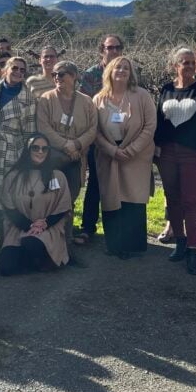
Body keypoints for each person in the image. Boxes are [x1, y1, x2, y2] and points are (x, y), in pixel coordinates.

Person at [154, 46, 196, 275]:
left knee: (191, 200)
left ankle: (193, 248)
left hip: (192, 153)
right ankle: (179, 241)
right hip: (167, 152)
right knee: (173, 199)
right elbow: (160, 120)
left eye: (192, 62)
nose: (190, 66)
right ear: (175, 65)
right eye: (185, 62)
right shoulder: (167, 89)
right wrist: (157, 146)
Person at [93, 56, 156, 258]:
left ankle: (133, 245)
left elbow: (150, 126)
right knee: (112, 198)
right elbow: (95, 131)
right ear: (109, 71)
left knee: (133, 198)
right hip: (109, 155)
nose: (121, 70)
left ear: (131, 73)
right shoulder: (98, 99)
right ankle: (114, 244)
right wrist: (112, 151)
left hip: (136, 155)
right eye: (117, 67)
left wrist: (131, 150)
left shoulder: (142, 96)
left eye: (126, 68)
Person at [36, 60, 96, 245]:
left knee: (70, 197)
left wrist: (76, 144)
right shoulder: (46, 99)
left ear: (74, 76)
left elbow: (93, 129)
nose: (57, 78)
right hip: (53, 157)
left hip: (76, 157)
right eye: (54, 74)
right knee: (49, 197)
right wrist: (65, 145)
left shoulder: (86, 101)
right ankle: (45, 238)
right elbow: (43, 127)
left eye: (61, 74)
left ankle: (66, 240)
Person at [0, 56, 37, 244]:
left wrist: (26, 159)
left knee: (7, 192)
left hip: (12, 149)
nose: (19, 72)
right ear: (5, 69)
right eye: (15, 68)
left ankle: (6, 235)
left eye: (22, 70)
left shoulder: (28, 98)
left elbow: (29, 132)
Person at [0, 134, 71, 275]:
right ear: (27, 149)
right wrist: (29, 225)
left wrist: (44, 224)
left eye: (45, 149)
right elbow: (9, 206)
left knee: (32, 242)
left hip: (48, 229)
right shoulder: (14, 176)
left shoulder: (57, 176)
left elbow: (63, 206)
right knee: (6, 269)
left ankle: (40, 258)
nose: (40, 152)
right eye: (35, 148)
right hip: (19, 228)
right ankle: (32, 261)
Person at [78, 34, 125, 241]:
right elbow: (85, 108)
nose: (113, 51)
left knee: (120, 185)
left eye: (117, 48)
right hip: (97, 139)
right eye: (109, 48)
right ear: (101, 50)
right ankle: (88, 227)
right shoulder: (91, 75)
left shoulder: (128, 72)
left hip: (123, 138)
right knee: (96, 183)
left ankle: (117, 228)